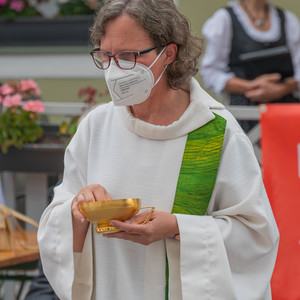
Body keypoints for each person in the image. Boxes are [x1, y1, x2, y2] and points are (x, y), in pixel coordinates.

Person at [37, 0, 279, 299]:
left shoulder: (215, 131)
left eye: (128, 56)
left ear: (168, 53)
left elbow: (255, 237)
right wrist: (77, 207)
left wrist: (177, 227)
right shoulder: (96, 126)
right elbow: (56, 222)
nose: (115, 69)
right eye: (106, 55)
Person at [200, 0, 300, 132]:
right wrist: (253, 87)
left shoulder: (288, 20)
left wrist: (282, 88)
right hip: (244, 117)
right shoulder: (224, 19)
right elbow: (211, 73)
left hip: (286, 116)